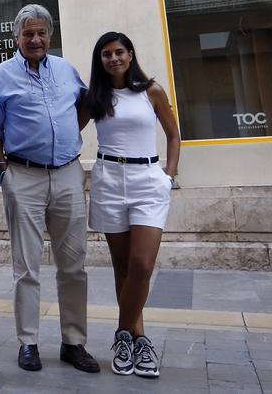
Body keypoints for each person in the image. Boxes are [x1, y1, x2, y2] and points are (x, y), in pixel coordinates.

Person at [0, 4, 100, 374]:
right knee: (26, 266)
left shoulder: (66, 70)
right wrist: (3, 170)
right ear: (16, 37)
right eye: (28, 34)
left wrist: (65, 136)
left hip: (67, 173)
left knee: (74, 264)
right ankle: (28, 342)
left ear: (50, 36)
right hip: (23, 175)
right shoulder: (0, 76)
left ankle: (74, 342)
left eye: (41, 33)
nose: (35, 39)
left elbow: (85, 106)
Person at [79, 32, 180, 378]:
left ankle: (123, 334)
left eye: (119, 52)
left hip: (148, 180)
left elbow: (174, 135)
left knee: (141, 265)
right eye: (106, 54)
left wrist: (168, 176)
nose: (114, 59)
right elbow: (69, 132)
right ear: (100, 61)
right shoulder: (95, 98)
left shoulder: (151, 91)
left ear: (130, 54)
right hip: (109, 180)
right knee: (122, 268)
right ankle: (138, 340)